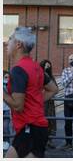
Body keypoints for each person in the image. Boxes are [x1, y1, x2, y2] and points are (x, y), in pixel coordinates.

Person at [3, 27, 58, 158]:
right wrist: (35, 101)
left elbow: (17, 105)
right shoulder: (36, 67)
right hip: (37, 128)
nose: (6, 43)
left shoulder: (18, 70)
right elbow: (53, 89)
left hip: (29, 129)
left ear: (18, 44)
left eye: (10, 39)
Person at [40, 60, 58, 149]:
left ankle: (50, 141)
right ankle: (41, 141)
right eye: (46, 66)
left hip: (50, 103)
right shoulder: (39, 75)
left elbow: (56, 88)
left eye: (49, 66)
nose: (47, 67)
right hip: (41, 103)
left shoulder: (51, 77)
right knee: (42, 120)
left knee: (50, 121)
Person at [3, 70, 11, 151]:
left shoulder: (10, 85)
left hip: (7, 109)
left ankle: (7, 144)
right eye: (5, 77)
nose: (7, 79)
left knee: (5, 128)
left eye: (8, 77)